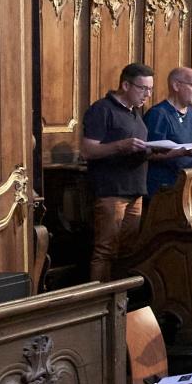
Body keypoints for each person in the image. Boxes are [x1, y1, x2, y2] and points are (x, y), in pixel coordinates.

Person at [81, 62, 154, 281]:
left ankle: (121, 301)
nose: (147, 95)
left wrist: (174, 152)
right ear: (125, 85)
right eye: (143, 89)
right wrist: (121, 145)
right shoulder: (102, 109)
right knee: (106, 249)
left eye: (150, 90)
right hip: (111, 190)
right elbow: (88, 150)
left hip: (135, 189)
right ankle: (100, 302)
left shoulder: (135, 114)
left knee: (128, 250)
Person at [144, 65, 192, 195]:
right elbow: (149, 154)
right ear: (176, 86)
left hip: (189, 188)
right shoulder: (158, 114)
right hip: (164, 190)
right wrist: (182, 152)